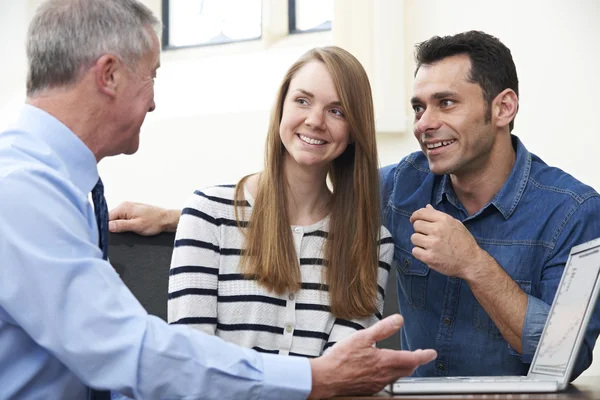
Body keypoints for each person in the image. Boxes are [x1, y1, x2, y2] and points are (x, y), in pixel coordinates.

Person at [0, 0, 438, 398]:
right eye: (151, 75)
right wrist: (312, 378)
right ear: (109, 75)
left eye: (337, 110)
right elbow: (130, 351)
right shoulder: (22, 191)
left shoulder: (58, 187)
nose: (153, 102)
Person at [110, 30, 600, 380]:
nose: (425, 123)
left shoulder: (574, 211)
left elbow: (567, 356)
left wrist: (473, 263)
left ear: (503, 108)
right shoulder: (402, 187)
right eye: (418, 106)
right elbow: (301, 199)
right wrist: (184, 217)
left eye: (446, 103)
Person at [168, 46, 393, 357]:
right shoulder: (208, 215)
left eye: (337, 111)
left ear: (354, 130)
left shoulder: (371, 243)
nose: (315, 120)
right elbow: (190, 360)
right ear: (281, 109)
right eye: (302, 101)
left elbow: (341, 374)